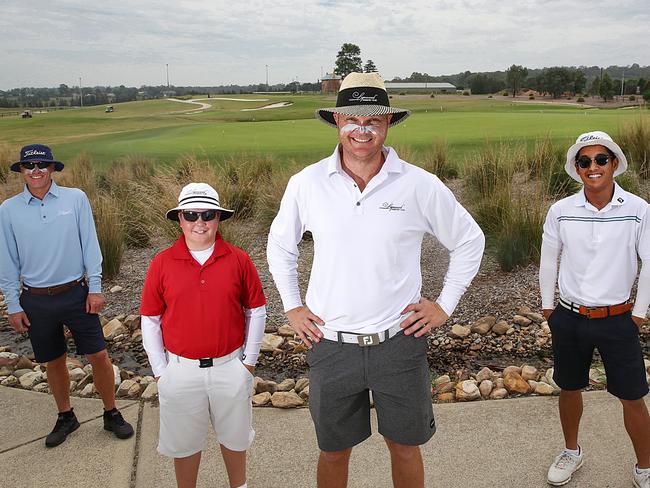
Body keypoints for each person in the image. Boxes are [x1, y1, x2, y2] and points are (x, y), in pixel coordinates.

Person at [267, 72, 485, 488]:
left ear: (388, 124)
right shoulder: (307, 184)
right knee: (332, 451)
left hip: (398, 344)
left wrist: (444, 305)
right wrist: (292, 306)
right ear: (336, 120)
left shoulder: (419, 184)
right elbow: (281, 247)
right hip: (331, 345)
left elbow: (470, 240)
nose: (361, 130)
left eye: (373, 120)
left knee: (404, 446)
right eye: (352, 119)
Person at [0, 144, 134, 447]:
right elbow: (7, 260)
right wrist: (13, 303)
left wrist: (96, 287)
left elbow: (90, 243)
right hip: (35, 298)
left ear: (52, 169)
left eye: (42, 166)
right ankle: (66, 415)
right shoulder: (8, 210)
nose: (36, 172)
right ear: (21, 170)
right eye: (29, 166)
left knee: (99, 355)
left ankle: (111, 412)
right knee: (54, 361)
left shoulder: (75, 199)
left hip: (76, 293)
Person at [540, 131, 650, 487]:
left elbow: (649, 262)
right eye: (584, 161)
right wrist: (548, 308)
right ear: (577, 168)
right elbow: (548, 261)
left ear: (614, 164)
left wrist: (639, 313)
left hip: (619, 319)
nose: (593, 167)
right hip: (570, 318)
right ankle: (571, 452)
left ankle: (645, 467)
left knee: (633, 397)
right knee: (569, 388)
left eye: (601, 159)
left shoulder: (638, 210)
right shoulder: (561, 211)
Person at [140, 182, 266, 488]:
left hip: (229, 367)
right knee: (184, 444)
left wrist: (248, 363)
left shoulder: (238, 259)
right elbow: (151, 319)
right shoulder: (162, 263)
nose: (200, 222)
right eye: (191, 215)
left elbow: (257, 311)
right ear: (180, 219)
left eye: (207, 214)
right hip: (181, 370)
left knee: (235, 438)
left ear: (218, 218)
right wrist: (161, 372)